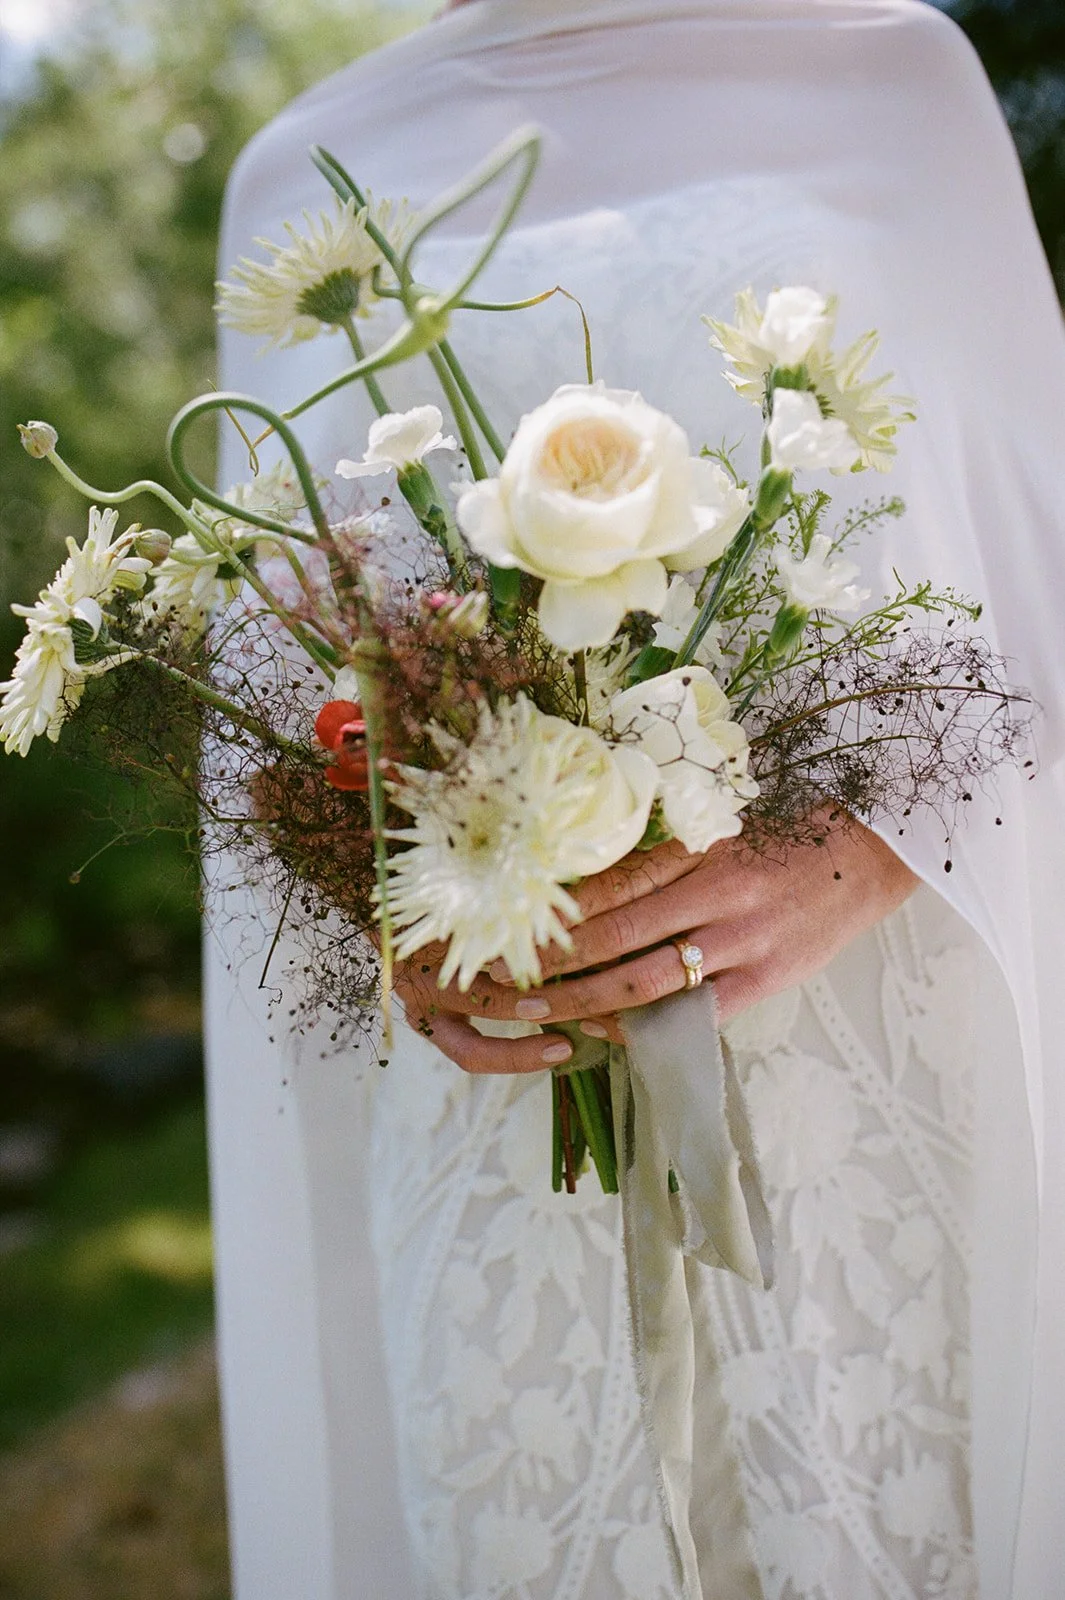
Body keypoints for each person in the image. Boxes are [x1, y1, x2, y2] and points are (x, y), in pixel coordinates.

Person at [206, 2, 1065, 1595]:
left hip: (858, 1069)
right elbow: (276, 688)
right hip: (495, 1097)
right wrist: (375, 894)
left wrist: (872, 855)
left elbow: (1045, 574)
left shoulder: (896, 77)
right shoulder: (289, 186)